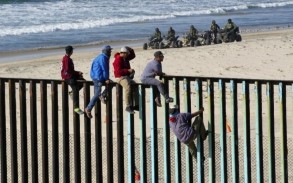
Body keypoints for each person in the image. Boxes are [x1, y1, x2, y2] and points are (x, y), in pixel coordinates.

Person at [84, 45, 112, 118]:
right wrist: (106, 79)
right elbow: (104, 69)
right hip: (98, 77)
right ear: (106, 51)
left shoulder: (100, 57)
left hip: (96, 76)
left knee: (99, 92)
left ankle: (102, 95)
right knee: (97, 93)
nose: (110, 52)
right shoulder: (103, 58)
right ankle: (88, 108)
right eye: (109, 51)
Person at [113, 46, 139, 114]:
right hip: (120, 77)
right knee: (128, 87)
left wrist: (131, 49)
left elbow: (133, 56)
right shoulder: (118, 59)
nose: (128, 55)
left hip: (126, 77)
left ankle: (136, 105)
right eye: (127, 54)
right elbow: (118, 72)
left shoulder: (125, 58)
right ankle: (128, 106)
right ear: (124, 53)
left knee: (135, 86)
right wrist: (128, 70)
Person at [61, 45, 85, 115]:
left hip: (67, 76)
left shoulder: (65, 58)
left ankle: (72, 93)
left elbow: (69, 70)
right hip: (68, 77)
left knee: (83, 81)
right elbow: (68, 70)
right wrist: (77, 73)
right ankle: (76, 108)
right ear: (71, 51)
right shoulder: (67, 59)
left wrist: (78, 73)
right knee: (75, 90)